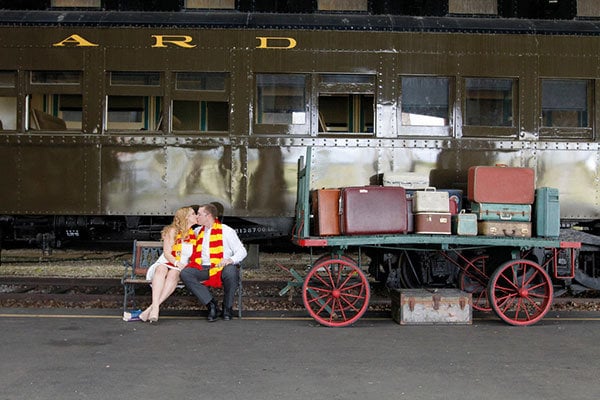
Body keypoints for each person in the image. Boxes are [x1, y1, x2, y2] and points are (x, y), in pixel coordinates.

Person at [181, 203, 247, 322]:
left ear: (208, 216)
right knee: (186, 273)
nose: (197, 216)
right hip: (203, 268)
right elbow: (181, 238)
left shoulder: (226, 231)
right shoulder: (197, 231)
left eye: (199, 214)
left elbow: (242, 251)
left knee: (231, 271)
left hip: (221, 267)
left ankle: (227, 307)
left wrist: (230, 260)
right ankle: (211, 304)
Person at [139, 206, 197, 323]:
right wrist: (176, 262)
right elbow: (166, 253)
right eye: (193, 214)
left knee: (174, 274)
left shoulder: (195, 234)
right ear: (186, 217)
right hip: (168, 260)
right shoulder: (172, 231)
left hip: (180, 266)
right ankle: (155, 308)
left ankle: (151, 308)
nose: (196, 216)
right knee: (161, 269)